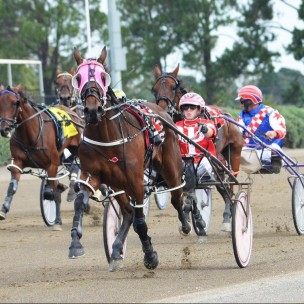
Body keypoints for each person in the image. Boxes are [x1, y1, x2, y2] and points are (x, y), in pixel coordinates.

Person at [175, 92, 217, 235]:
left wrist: (206, 130)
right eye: (185, 108)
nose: (188, 110)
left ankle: (187, 208)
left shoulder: (207, 123)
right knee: (183, 168)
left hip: (202, 161)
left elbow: (212, 132)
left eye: (192, 108)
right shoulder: (176, 125)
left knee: (190, 169)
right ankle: (192, 209)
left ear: (199, 110)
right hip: (183, 161)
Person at [236, 85, 287, 174]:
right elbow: (237, 132)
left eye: (242, 101)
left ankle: (275, 161)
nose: (241, 104)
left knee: (275, 148)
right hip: (249, 151)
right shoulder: (242, 116)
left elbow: (282, 130)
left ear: (250, 101)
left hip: (269, 148)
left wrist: (274, 133)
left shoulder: (270, 112)